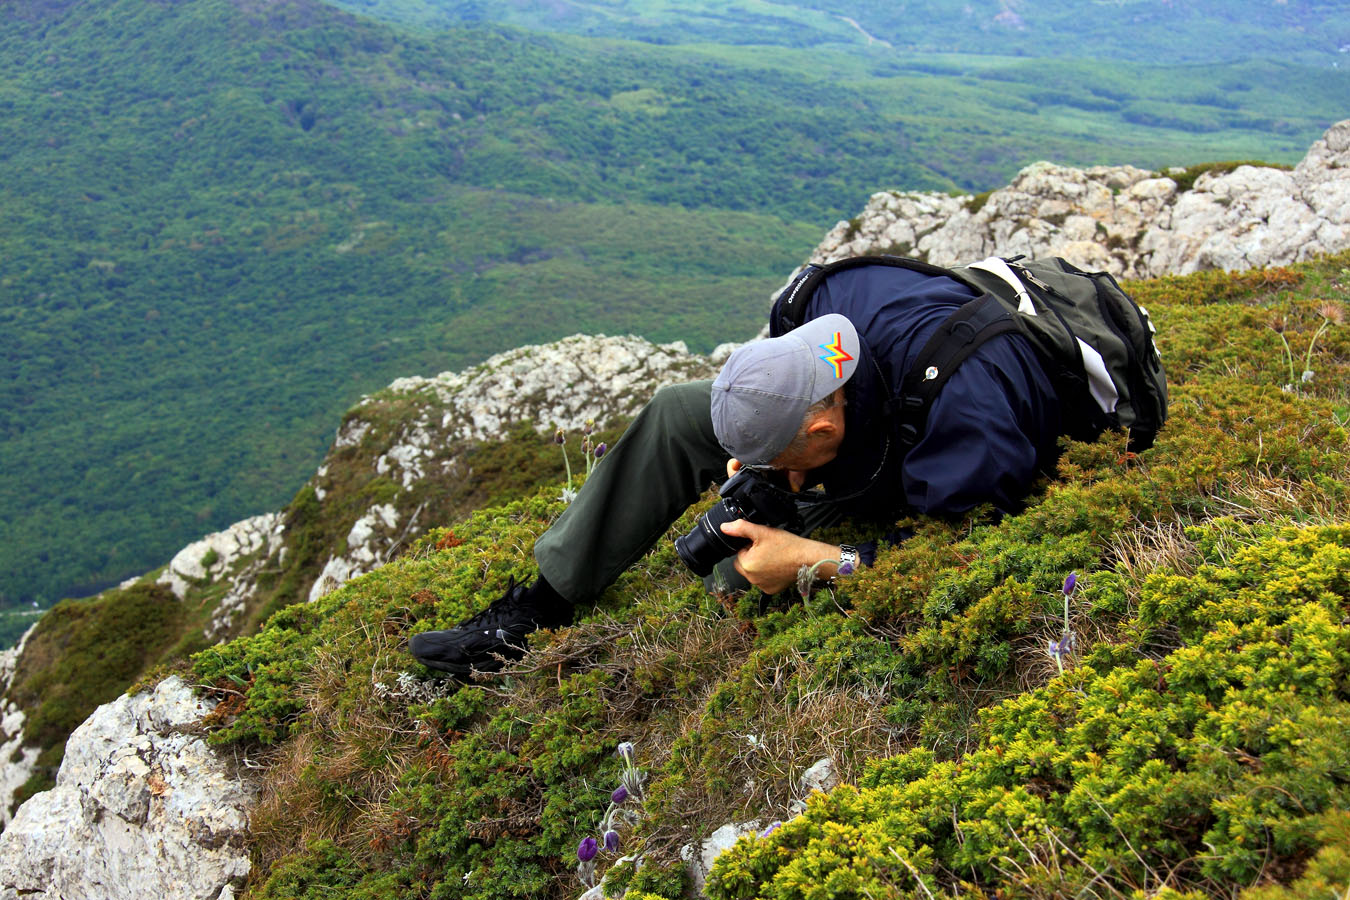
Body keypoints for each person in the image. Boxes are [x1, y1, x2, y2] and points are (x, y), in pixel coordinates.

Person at [410, 261, 1063, 676]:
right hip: (859, 425)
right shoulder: (814, 306)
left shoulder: (965, 419)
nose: (749, 473)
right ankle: (538, 608)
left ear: (822, 427)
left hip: (930, 450)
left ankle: (785, 528)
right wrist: (766, 465)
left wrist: (816, 558)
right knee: (674, 410)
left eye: (772, 459)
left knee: (736, 578)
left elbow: (959, 552)